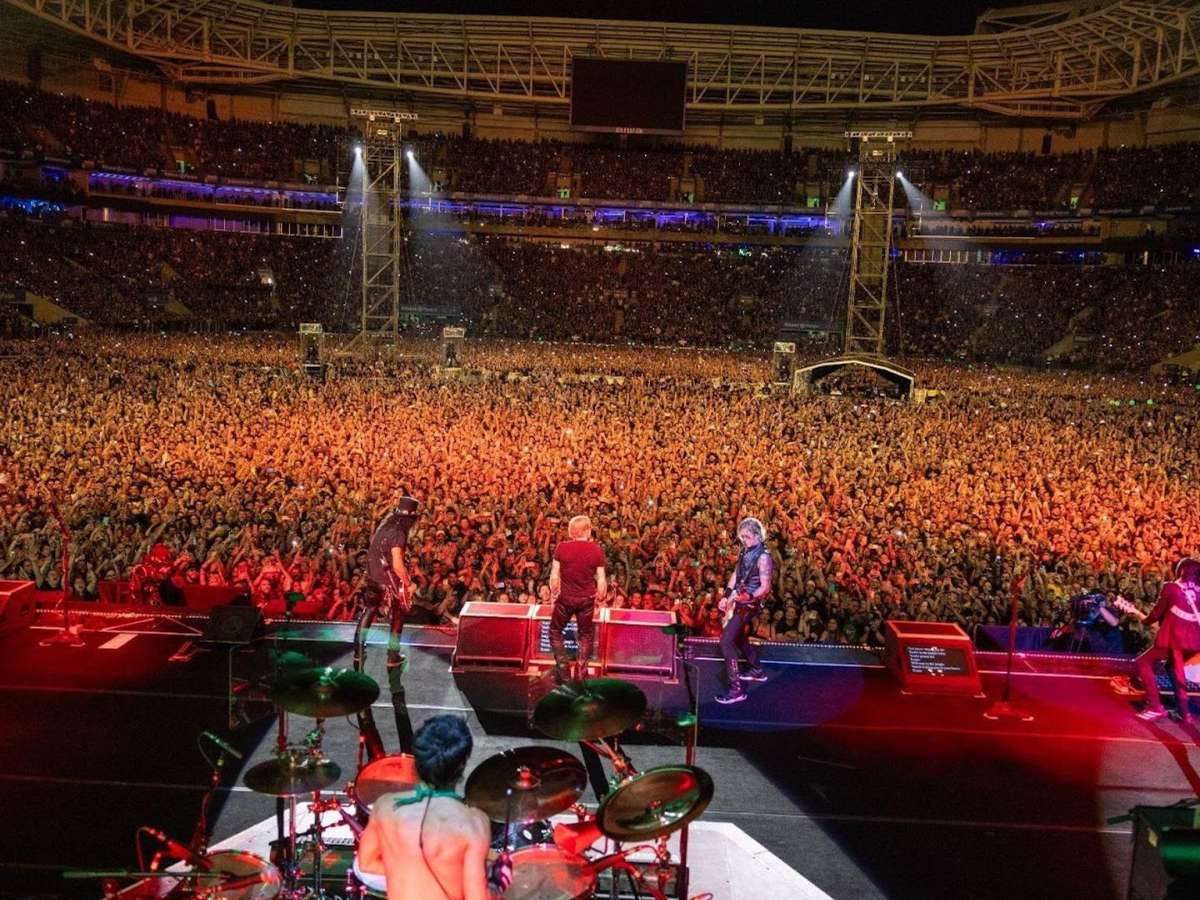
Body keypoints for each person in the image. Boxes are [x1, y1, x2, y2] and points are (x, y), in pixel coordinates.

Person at [356, 715, 510, 900]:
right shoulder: (473, 824)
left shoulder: (385, 806)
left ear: (416, 762)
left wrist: (406, 870)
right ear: (461, 765)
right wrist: (498, 883)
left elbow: (366, 863)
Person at [365, 497, 421, 753]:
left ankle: (359, 650)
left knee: (370, 611)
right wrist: (407, 583)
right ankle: (392, 655)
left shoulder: (384, 525)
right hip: (387, 582)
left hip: (372, 578)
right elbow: (397, 563)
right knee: (398, 615)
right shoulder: (399, 532)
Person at [1134, 557, 1200, 723]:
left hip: (1173, 638)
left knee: (1143, 662)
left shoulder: (1170, 587)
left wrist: (1144, 620)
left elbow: (1156, 614)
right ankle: (1184, 712)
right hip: (1194, 642)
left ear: (1181, 570)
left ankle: (1155, 707)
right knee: (1172, 667)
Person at [715, 517, 774, 705]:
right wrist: (726, 595)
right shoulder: (746, 550)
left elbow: (765, 587)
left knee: (726, 641)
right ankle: (756, 670)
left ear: (757, 535)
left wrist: (748, 596)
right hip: (739, 599)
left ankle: (736, 690)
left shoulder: (763, 557)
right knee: (739, 637)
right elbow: (736, 574)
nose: (744, 541)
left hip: (750, 603)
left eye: (747, 537)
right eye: (742, 537)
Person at [548, 515, 606, 683]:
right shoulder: (596, 550)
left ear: (572, 531)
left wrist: (554, 594)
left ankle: (563, 669)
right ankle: (580, 673)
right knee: (585, 635)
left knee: (554, 631)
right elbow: (601, 579)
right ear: (587, 530)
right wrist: (600, 596)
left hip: (566, 599)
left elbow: (554, 576)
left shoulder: (562, 547)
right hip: (586, 599)